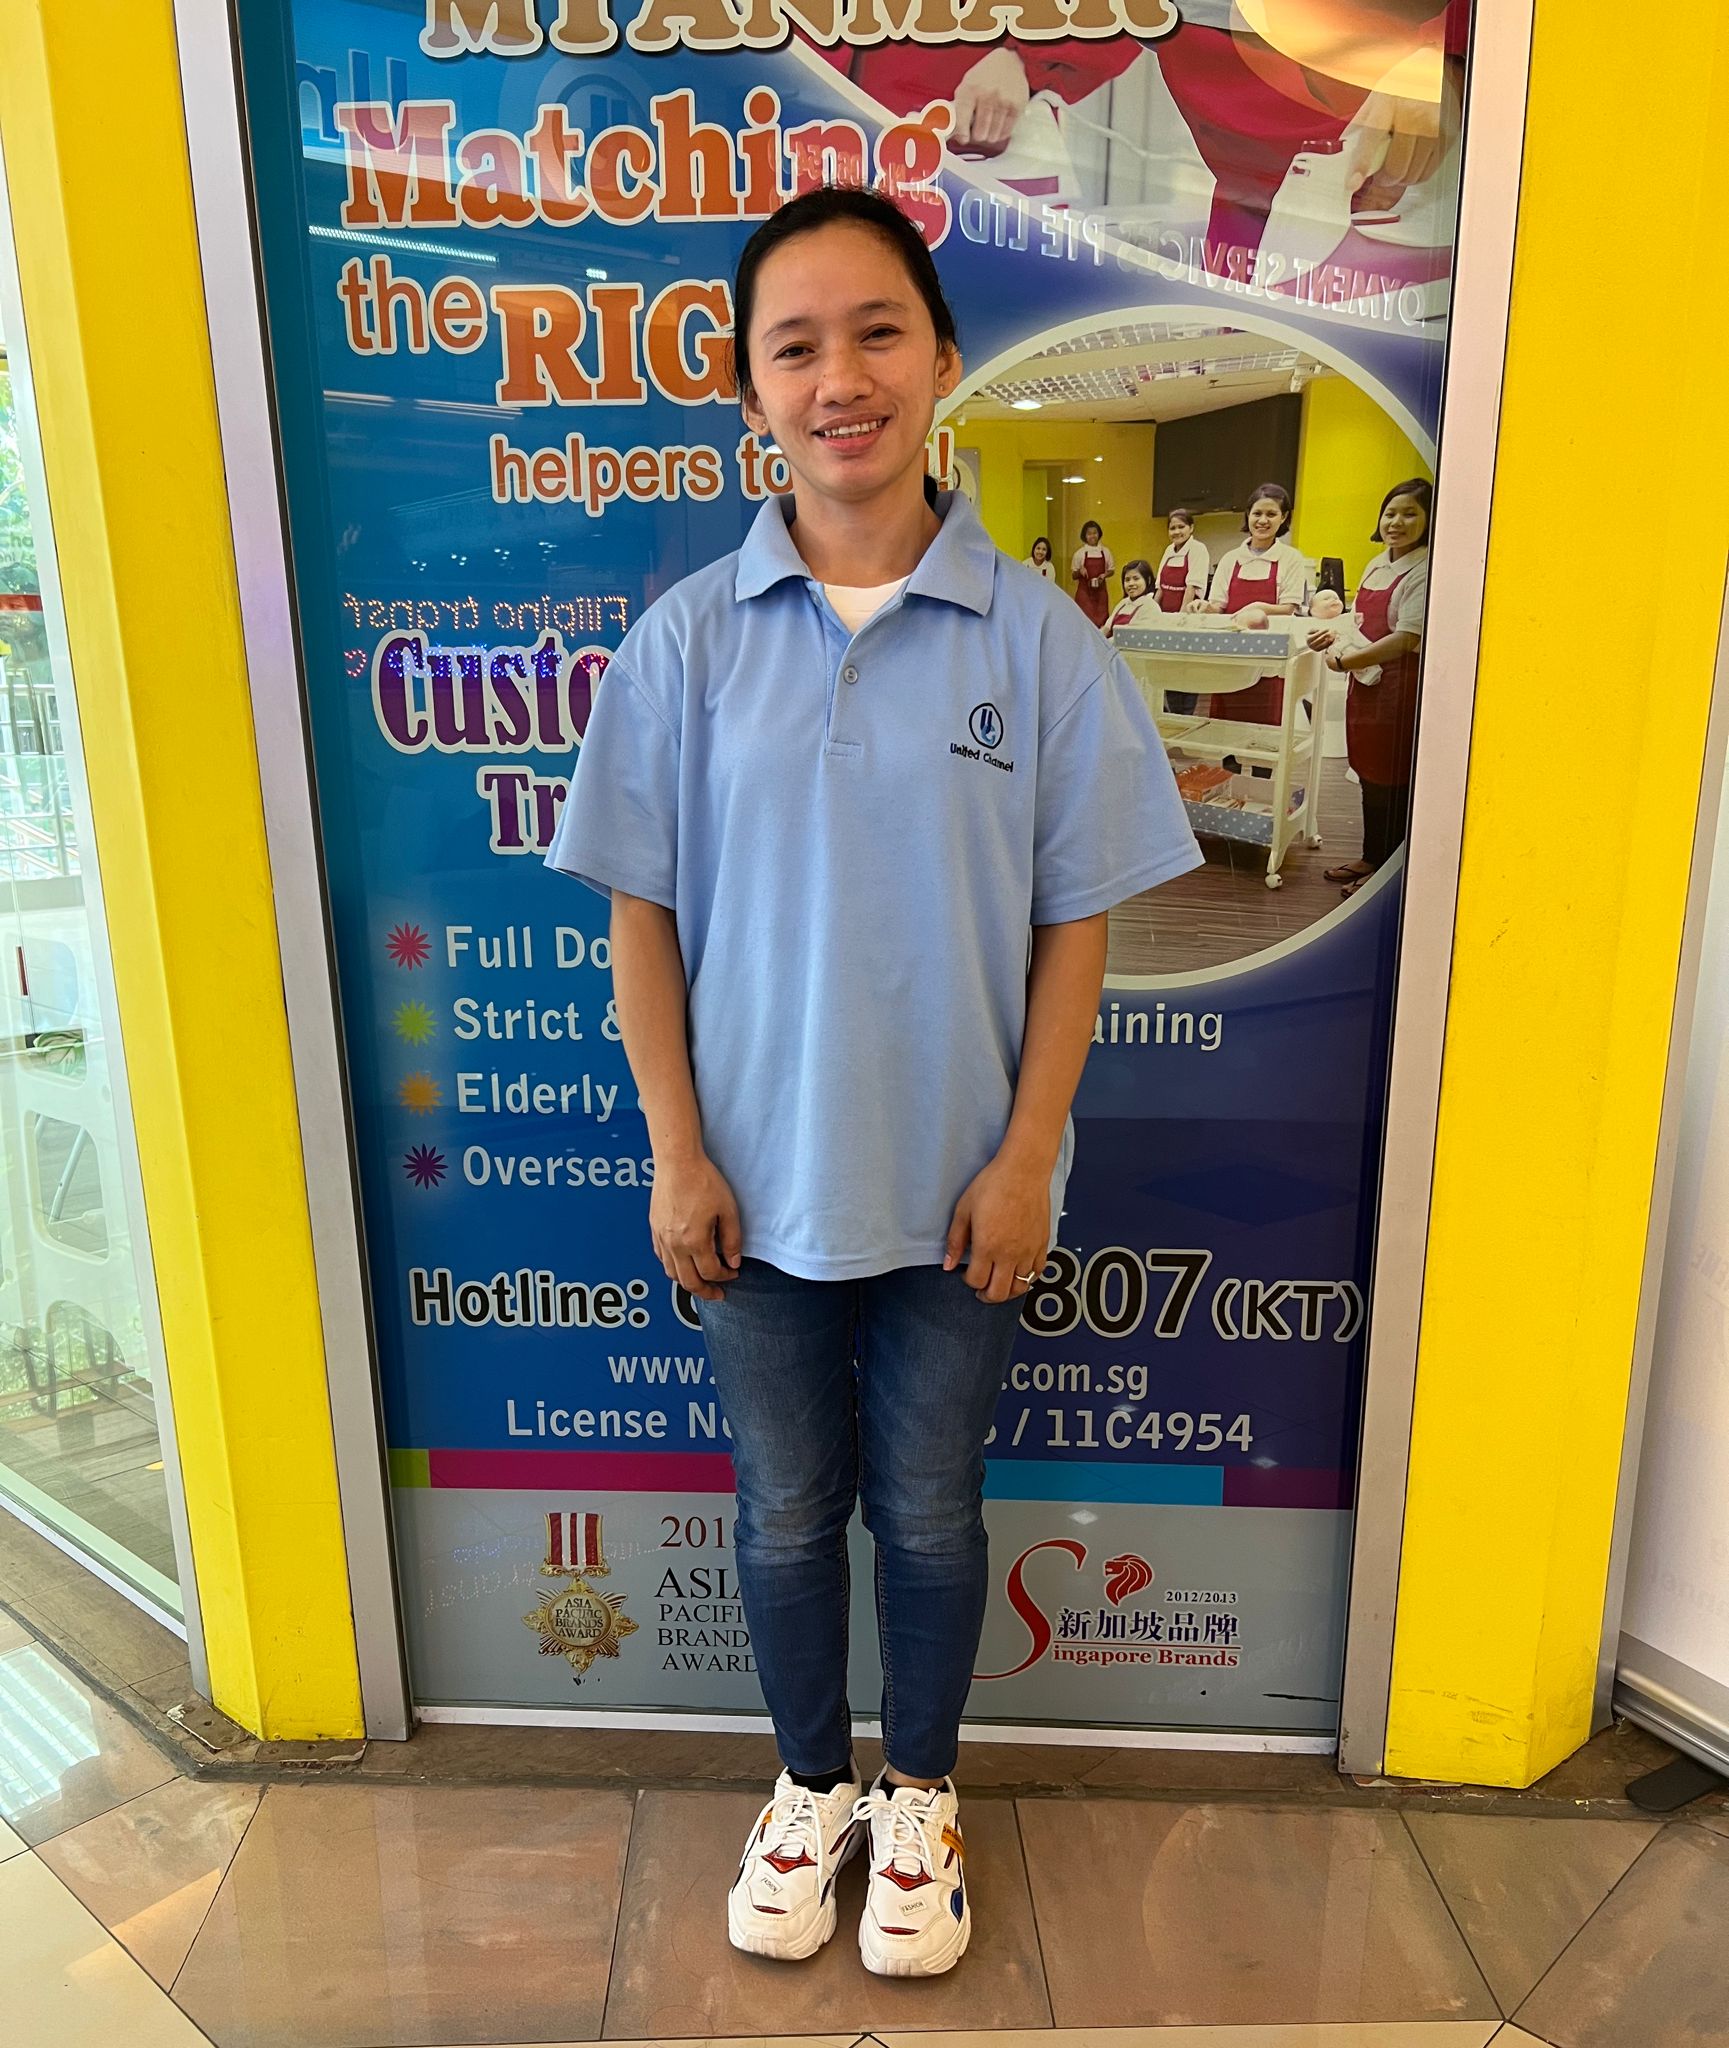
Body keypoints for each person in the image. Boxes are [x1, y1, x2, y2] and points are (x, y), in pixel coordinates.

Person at [546, 186, 1198, 1978]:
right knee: (778, 1510)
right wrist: (676, 1153)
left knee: (924, 1509)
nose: (838, 377)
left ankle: (918, 1792)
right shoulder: (686, 644)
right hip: (749, 1195)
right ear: (750, 393)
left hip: (957, 1194)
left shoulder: (1036, 643)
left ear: (941, 359)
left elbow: (1075, 923)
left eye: (875, 332)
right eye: (794, 347)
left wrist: (1029, 1154)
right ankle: (807, 1785)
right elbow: (639, 922)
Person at [1307, 478, 1431, 895]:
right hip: (1365, 686)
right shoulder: (1377, 565)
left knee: (1394, 780)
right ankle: (1371, 856)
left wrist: (1344, 661)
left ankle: (1386, 874)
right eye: (1390, 513)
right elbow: (1358, 622)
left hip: (1399, 687)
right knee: (1369, 773)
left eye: (1410, 513)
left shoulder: (1425, 569)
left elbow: (1406, 638)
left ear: (1429, 520)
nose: (1397, 522)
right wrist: (1332, 637)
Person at [1194, 482, 1306, 728]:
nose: (1263, 520)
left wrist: (1258, 607)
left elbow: (1289, 608)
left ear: (1284, 517)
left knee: (1265, 733)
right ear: (1248, 515)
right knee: (1225, 730)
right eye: (1257, 513)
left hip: (1269, 661)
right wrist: (1203, 607)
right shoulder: (1230, 559)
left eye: (1271, 514)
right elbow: (1218, 606)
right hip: (1230, 659)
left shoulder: (1291, 559)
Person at [1155, 508, 1210, 615]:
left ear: (1191, 528)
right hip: (1164, 616)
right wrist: (1153, 613)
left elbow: (1191, 587)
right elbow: (1160, 588)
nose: (1176, 532)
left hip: (1187, 616)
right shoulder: (1169, 550)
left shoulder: (1198, 549)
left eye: (1181, 527)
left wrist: (1181, 617)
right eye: (1172, 528)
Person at [1071, 519, 1113, 628]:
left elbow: (1111, 570)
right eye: (1089, 533)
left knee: (1102, 623)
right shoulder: (1079, 553)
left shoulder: (1106, 552)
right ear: (1084, 536)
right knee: (1084, 622)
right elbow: (1073, 576)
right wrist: (1080, 571)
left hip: (1101, 593)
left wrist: (1105, 575)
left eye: (1095, 533)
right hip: (1084, 593)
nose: (1092, 536)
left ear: (1099, 534)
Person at [1104, 558, 1157, 637]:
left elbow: (1136, 637)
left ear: (1148, 580)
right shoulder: (1123, 603)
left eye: (1136, 579)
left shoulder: (1150, 606)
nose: (1131, 584)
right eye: (1127, 580)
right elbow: (1106, 628)